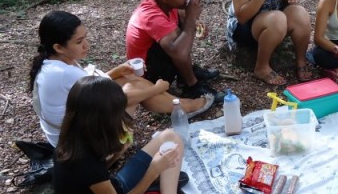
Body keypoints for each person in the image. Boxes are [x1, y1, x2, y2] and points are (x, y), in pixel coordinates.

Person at [53, 76, 208, 194]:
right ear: (101, 117)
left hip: (112, 190)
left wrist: (118, 153)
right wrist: (153, 171)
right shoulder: (81, 160)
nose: (121, 117)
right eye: (118, 112)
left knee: (170, 137)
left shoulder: (76, 135)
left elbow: (94, 177)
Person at [29, 10, 214, 147]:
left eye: (85, 38)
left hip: (75, 132)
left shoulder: (54, 62)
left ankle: (183, 106)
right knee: (133, 89)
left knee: (130, 79)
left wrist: (117, 71)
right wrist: (157, 88)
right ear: (58, 47)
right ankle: (187, 107)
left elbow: (91, 86)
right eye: (79, 42)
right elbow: (118, 99)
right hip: (80, 147)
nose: (86, 45)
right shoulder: (64, 73)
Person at [126, 0, 222, 100]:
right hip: (146, 74)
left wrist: (195, 23)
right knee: (177, 44)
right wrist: (191, 18)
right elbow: (179, 52)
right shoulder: (152, 16)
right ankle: (192, 86)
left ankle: (185, 74)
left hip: (158, 58)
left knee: (181, 33)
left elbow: (184, 19)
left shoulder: (166, 4)